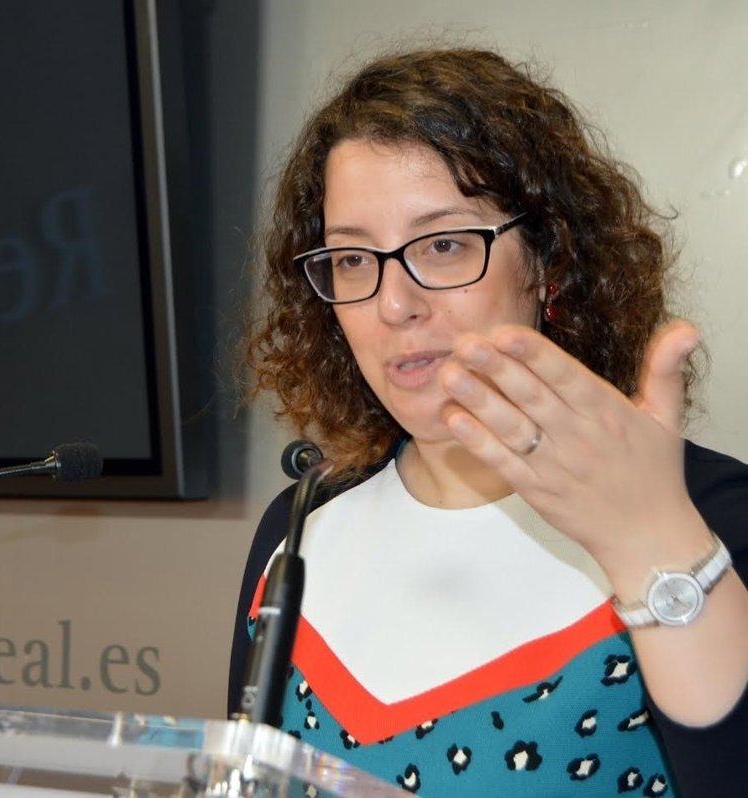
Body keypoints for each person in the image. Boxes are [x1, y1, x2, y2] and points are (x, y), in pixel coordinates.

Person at [229, 47, 748, 796]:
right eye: (352, 259)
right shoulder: (300, 526)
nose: (394, 305)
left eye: (443, 245)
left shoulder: (708, 519)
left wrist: (655, 547)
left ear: (550, 261)